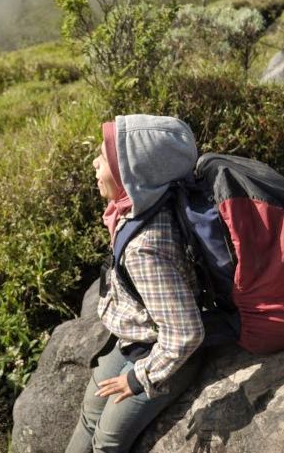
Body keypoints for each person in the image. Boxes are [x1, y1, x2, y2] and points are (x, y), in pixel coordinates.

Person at [65, 115, 205, 453]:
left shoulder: (145, 247)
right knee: (90, 412)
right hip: (135, 337)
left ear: (131, 172)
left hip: (164, 354)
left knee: (107, 441)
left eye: (103, 157)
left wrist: (139, 378)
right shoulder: (146, 204)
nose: (95, 163)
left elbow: (186, 333)